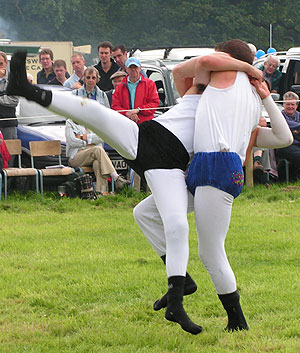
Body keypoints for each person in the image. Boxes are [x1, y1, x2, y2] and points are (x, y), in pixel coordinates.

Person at [6, 49, 292, 334]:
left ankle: (178, 298)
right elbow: (196, 67)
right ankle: (28, 89)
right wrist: (251, 70)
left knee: (176, 225)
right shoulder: (203, 86)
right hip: (145, 136)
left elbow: (273, 135)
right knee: (92, 112)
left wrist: (259, 90)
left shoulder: (233, 106)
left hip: (168, 165)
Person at [174, 39, 292, 332]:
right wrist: (265, 97)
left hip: (215, 164)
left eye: (218, 53)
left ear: (225, 57)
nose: (212, 56)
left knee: (211, 252)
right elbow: (283, 139)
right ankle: (178, 276)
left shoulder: (226, 74)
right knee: (147, 213)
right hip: (217, 166)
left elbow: (184, 69)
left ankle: (237, 320)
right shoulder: (251, 98)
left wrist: (248, 69)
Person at [112, 57, 159, 124]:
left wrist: (138, 110)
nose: (133, 70)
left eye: (135, 67)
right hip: (126, 123)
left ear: (140, 68)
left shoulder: (150, 84)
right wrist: (127, 113)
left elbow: (154, 103)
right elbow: (115, 106)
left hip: (146, 124)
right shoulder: (120, 86)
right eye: (131, 68)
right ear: (126, 69)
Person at [0, 50, 19, 167]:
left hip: (8, 124)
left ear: (6, 63)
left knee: (9, 156)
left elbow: (14, 100)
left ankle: (8, 184)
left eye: (0, 64)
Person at [276, 91, 300, 174]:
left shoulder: (299, 116)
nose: (290, 106)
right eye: (288, 104)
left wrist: (294, 130)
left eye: (292, 104)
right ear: (283, 105)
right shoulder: (279, 116)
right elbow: (285, 125)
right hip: (285, 145)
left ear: (296, 106)